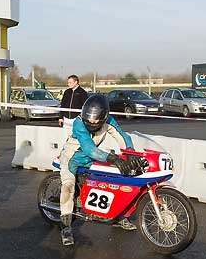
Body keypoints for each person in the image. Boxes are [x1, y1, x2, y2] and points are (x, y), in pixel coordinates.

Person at [58, 94, 145, 246]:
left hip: (91, 160)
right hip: (71, 159)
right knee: (68, 187)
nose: (91, 121)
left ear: (104, 116)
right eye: (89, 116)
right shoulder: (79, 123)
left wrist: (130, 153)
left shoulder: (109, 122)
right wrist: (113, 158)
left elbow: (123, 137)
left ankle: (118, 215)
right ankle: (65, 227)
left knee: (112, 181)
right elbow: (89, 148)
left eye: (95, 118)